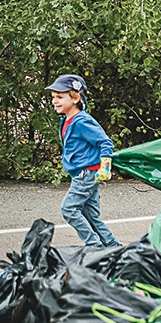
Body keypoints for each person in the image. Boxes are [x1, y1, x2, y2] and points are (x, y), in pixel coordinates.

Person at [46, 74, 120, 248]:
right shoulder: (67, 120)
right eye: (53, 97)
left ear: (76, 98)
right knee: (90, 215)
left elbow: (105, 142)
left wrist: (105, 168)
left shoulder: (82, 121)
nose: (54, 101)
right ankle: (113, 248)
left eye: (59, 97)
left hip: (86, 174)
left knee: (69, 209)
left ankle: (94, 246)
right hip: (87, 174)